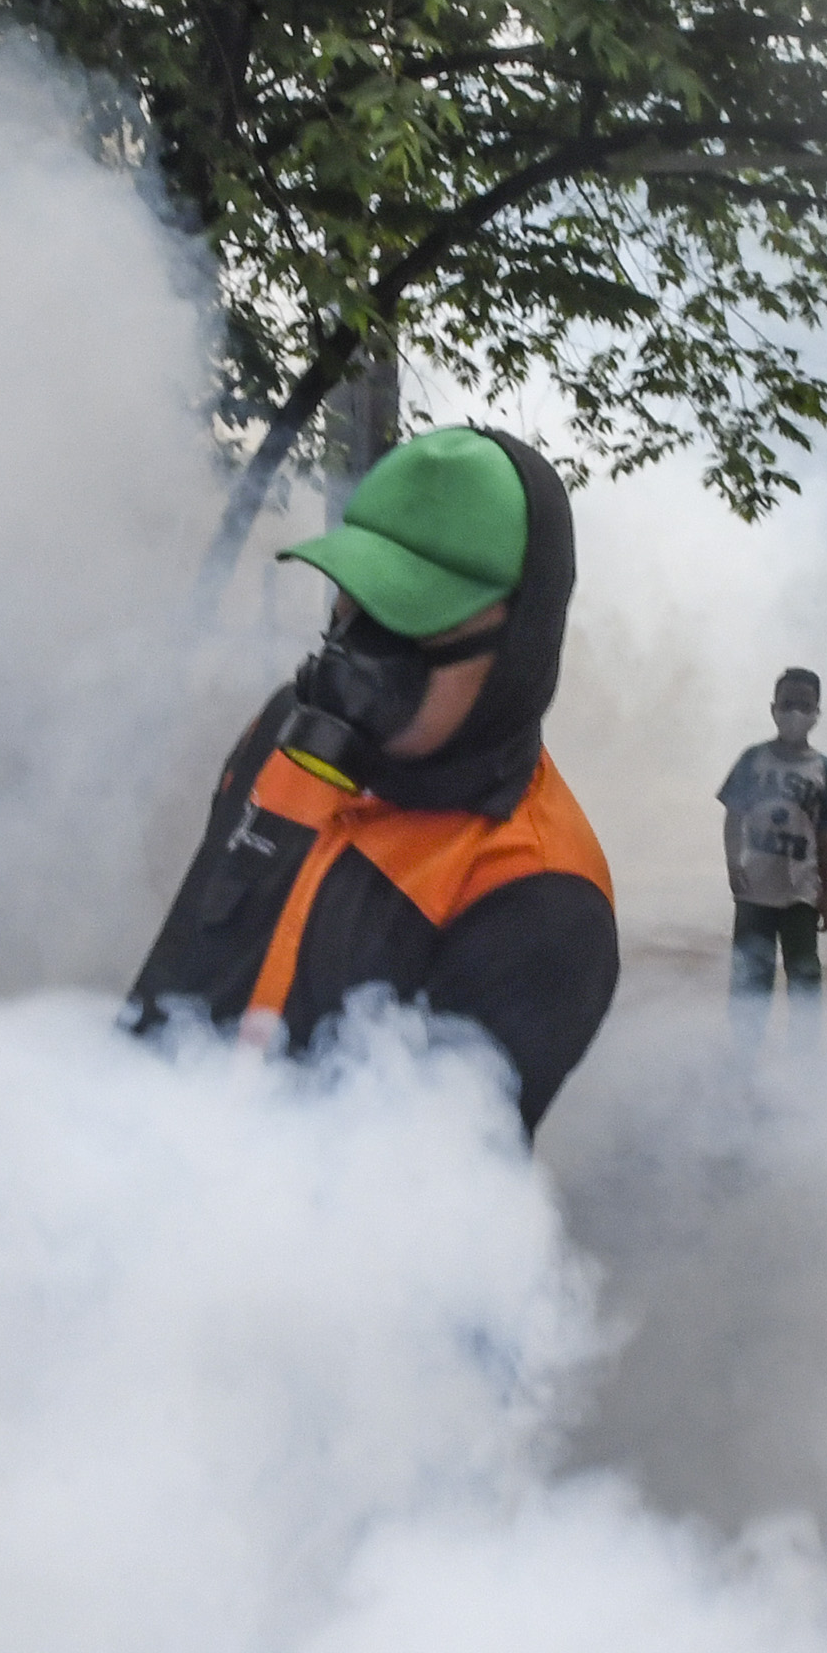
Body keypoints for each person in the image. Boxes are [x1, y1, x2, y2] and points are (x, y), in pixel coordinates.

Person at [125, 424, 618, 1136]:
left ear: (519, 647)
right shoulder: (286, 731)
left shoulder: (539, 894)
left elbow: (404, 1199)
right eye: (354, 602)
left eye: (407, 623)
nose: (354, 658)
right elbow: (180, 969)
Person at [717, 666, 827, 1045]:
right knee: (749, 975)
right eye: (788, 704)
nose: (795, 713)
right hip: (754, 887)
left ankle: (803, 1054)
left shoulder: (823, 771)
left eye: (804, 706)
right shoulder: (753, 760)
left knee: (804, 974)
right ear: (773, 708)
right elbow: (734, 814)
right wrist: (732, 862)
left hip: (800, 893)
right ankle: (744, 1049)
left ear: (817, 713)